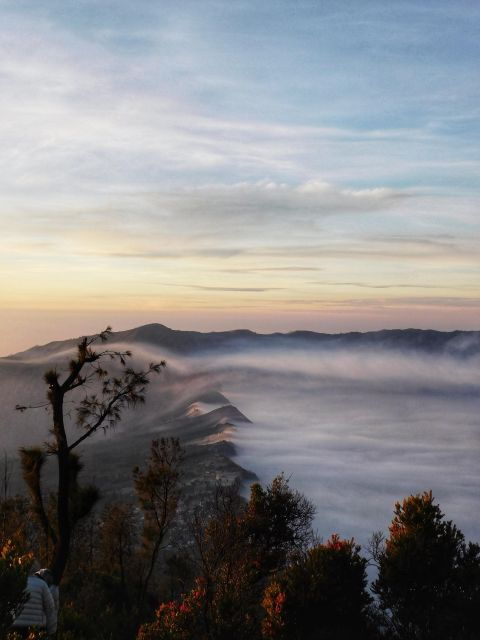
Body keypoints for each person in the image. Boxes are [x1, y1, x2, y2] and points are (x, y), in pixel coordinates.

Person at [11, 562, 57, 638]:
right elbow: (50, 607)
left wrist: (12, 619)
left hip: (18, 623)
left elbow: (11, 604)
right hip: (35, 626)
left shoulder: (18, 581)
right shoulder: (42, 584)